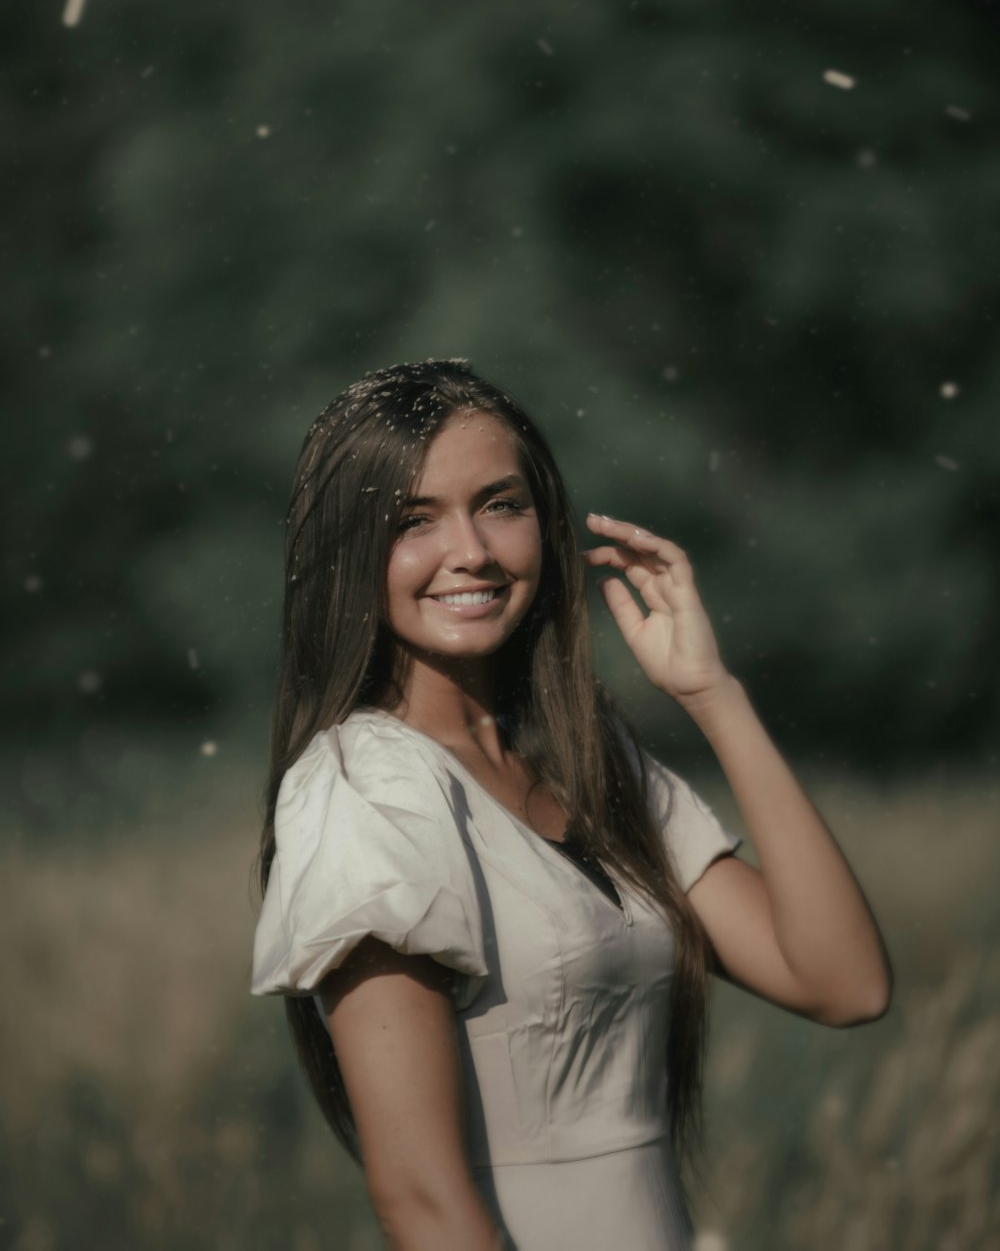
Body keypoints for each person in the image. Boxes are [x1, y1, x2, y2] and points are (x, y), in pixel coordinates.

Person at [251, 357, 892, 1251]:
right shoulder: (367, 794)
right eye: (413, 521)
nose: (469, 550)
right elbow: (421, 1202)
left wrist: (713, 697)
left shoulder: (588, 756)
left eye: (500, 505)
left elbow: (843, 983)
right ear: (350, 551)